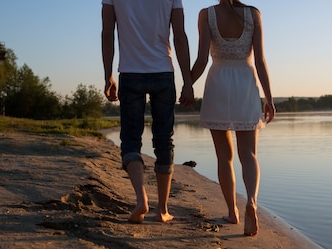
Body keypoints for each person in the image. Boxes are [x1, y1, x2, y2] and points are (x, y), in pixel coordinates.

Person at [102, 0, 195, 223]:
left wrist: (108, 75)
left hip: (130, 73)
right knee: (164, 140)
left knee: (131, 140)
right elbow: (180, 35)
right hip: (163, 71)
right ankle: (162, 209)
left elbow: (107, 33)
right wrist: (188, 81)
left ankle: (141, 198)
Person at [190, 0, 275, 236]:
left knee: (224, 157)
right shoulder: (253, 14)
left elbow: (201, 60)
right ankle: (252, 203)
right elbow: (260, 61)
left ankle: (232, 212)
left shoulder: (206, 14)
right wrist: (268, 97)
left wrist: (187, 84)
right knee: (248, 154)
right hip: (245, 83)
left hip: (218, 82)